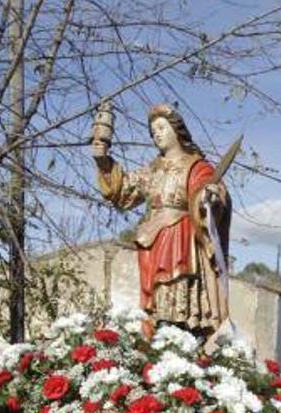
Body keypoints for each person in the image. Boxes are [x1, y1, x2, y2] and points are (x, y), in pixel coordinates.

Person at [93, 102, 230, 335]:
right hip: (153, 238)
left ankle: (180, 334)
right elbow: (124, 189)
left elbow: (211, 194)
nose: (156, 133)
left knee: (175, 290)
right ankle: (158, 336)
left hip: (181, 237)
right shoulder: (153, 169)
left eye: (161, 127)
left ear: (177, 130)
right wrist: (103, 160)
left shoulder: (196, 166)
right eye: (153, 130)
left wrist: (210, 198)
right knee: (154, 297)